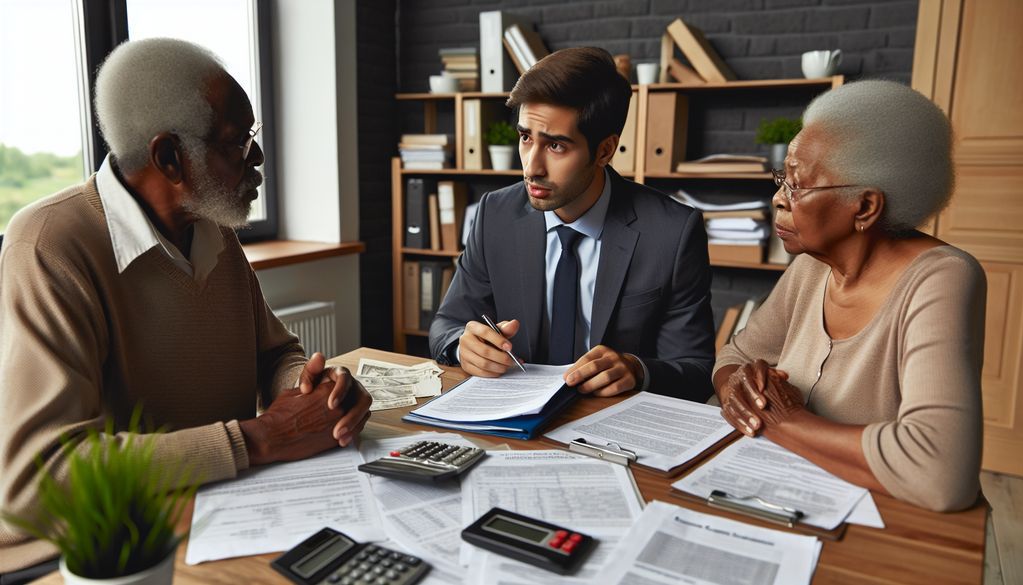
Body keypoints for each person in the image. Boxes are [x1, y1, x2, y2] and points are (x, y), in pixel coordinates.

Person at [0, 38, 372, 577]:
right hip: (91, 556)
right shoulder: (48, 244)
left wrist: (313, 391)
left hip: (215, 506)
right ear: (170, 157)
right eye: (238, 142)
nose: (259, 158)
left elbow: (275, 353)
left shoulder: (211, 224)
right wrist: (259, 438)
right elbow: (38, 475)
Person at [715, 80, 984, 512]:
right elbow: (734, 356)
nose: (778, 199)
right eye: (782, 178)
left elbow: (941, 473)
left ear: (864, 207)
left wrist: (783, 421)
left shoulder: (942, 278)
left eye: (797, 186)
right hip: (780, 494)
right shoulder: (809, 267)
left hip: (892, 524)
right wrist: (743, 391)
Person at [429, 47, 716, 400]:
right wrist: (462, 346)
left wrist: (638, 370)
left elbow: (697, 369)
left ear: (605, 150)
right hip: (512, 420)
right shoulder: (494, 214)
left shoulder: (672, 233)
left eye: (556, 146)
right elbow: (446, 324)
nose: (532, 167)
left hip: (611, 426)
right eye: (525, 138)